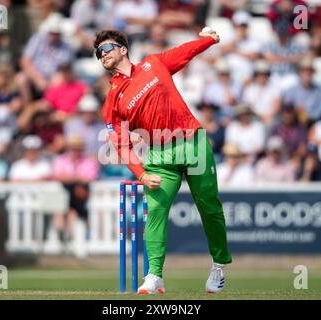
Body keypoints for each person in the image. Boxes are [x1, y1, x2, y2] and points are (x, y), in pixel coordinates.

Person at [94, 29, 232, 294]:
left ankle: (219, 265)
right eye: (98, 53)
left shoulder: (152, 63)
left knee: (209, 207)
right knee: (155, 213)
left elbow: (185, 53)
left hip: (193, 143)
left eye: (107, 48)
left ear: (123, 49)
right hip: (159, 155)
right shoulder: (113, 98)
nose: (103, 55)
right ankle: (154, 275)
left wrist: (209, 39)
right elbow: (120, 142)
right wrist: (141, 174)